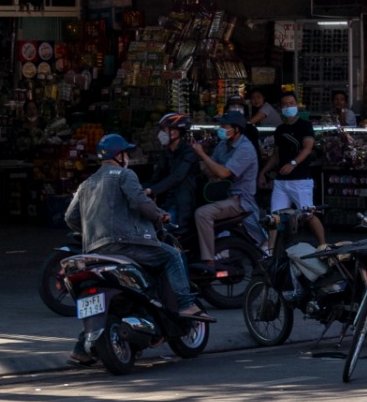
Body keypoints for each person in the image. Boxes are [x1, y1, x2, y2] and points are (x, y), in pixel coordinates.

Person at [69, 131, 201, 318]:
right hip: (125, 245)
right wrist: (159, 216)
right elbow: (139, 202)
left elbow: (70, 218)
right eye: (126, 154)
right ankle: (186, 304)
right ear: (119, 156)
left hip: (93, 250)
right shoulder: (125, 175)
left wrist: (93, 229)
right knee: (172, 255)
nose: (128, 158)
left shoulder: (86, 184)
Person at [191, 111, 261, 262]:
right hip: (221, 195)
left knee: (202, 214)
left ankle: (208, 260)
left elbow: (223, 173)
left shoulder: (245, 149)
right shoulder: (223, 144)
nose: (220, 129)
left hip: (239, 199)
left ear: (236, 129)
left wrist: (202, 154)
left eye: (224, 126)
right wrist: (212, 171)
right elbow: (209, 169)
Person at [139, 111, 206, 240]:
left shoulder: (189, 153)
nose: (161, 134)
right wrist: (138, 189)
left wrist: (151, 190)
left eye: (164, 130)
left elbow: (177, 177)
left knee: (163, 236)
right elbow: (156, 177)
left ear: (175, 132)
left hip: (182, 207)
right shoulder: (167, 153)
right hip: (167, 204)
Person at [268, 99, 322, 245]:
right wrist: (263, 172)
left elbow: (307, 147)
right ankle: (269, 251)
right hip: (281, 180)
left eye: (291, 103)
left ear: (297, 105)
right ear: (280, 108)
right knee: (275, 217)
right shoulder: (279, 130)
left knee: (308, 215)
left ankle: (323, 245)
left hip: (301, 179)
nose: (288, 106)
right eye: (284, 104)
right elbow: (276, 155)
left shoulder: (305, 125)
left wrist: (293, 163)